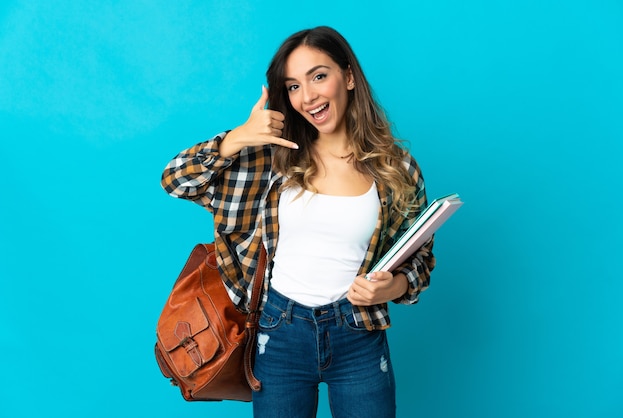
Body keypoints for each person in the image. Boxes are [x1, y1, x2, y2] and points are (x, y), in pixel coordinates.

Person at [161, 26, 435, 418]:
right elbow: (175, 179)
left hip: (358, 332)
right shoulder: (271, 158)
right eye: (292, 86)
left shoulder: (396, 169)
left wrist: (395, 286)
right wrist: (238, 138)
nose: (307, 97)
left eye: (319, 76)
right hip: (279, 330)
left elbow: (421, 258)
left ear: (350, 76)